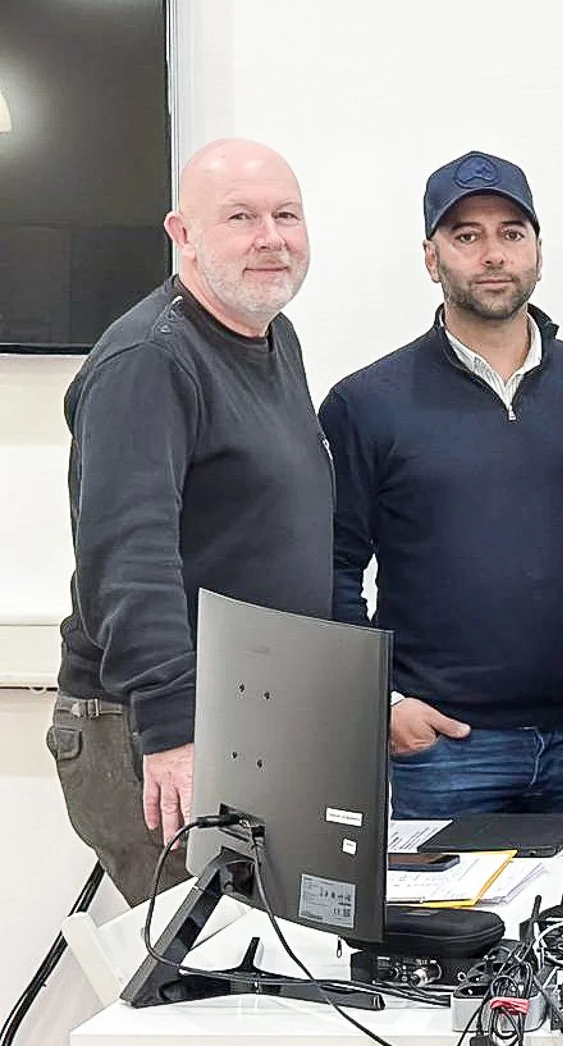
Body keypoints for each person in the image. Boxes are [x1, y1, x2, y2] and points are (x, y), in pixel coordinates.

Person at [50, 139, 330, 905]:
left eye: (286, 215)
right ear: (183, 234)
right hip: (156, 723)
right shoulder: (150, 359)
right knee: (206, 963)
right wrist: (172, 733)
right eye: (241, 218)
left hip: (246, 717)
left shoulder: (272, 338)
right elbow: (128, 559)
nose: (271, 238)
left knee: (267, 952)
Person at [320, 151, 563, 819]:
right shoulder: (365, 402)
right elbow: (332, 567)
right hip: (443, 750)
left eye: (511, 233)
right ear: (432, 259)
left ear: (538, 251)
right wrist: (383, 704)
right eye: (467, 236)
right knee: (440, 898)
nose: (493, 254)